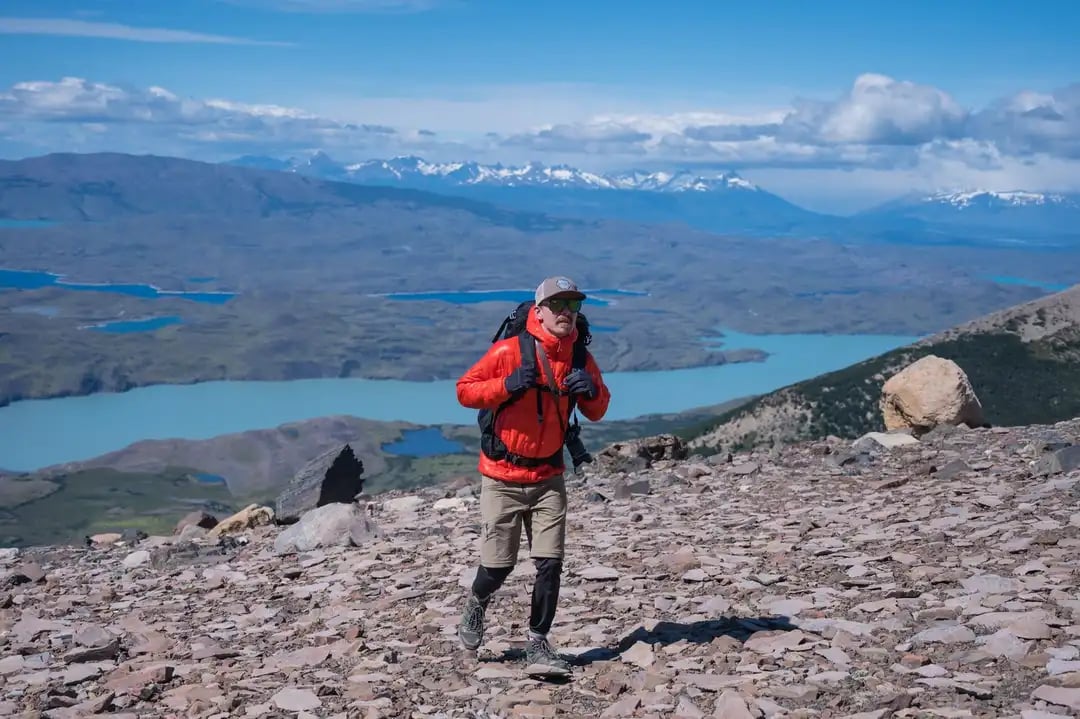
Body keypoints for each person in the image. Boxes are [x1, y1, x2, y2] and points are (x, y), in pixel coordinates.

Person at [454, 275, 611, 675]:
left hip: (548, 478)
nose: (565, 314)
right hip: (502, 477)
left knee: (550, 564)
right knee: (497, 566)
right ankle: (476, 604)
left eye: (572, 306)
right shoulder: (511, 351)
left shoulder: (578, 357)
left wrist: (589, 390)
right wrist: (506, 385)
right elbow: (466, 390)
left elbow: (598, 409)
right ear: (538, 310)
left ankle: (538, 644)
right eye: (557, 306)